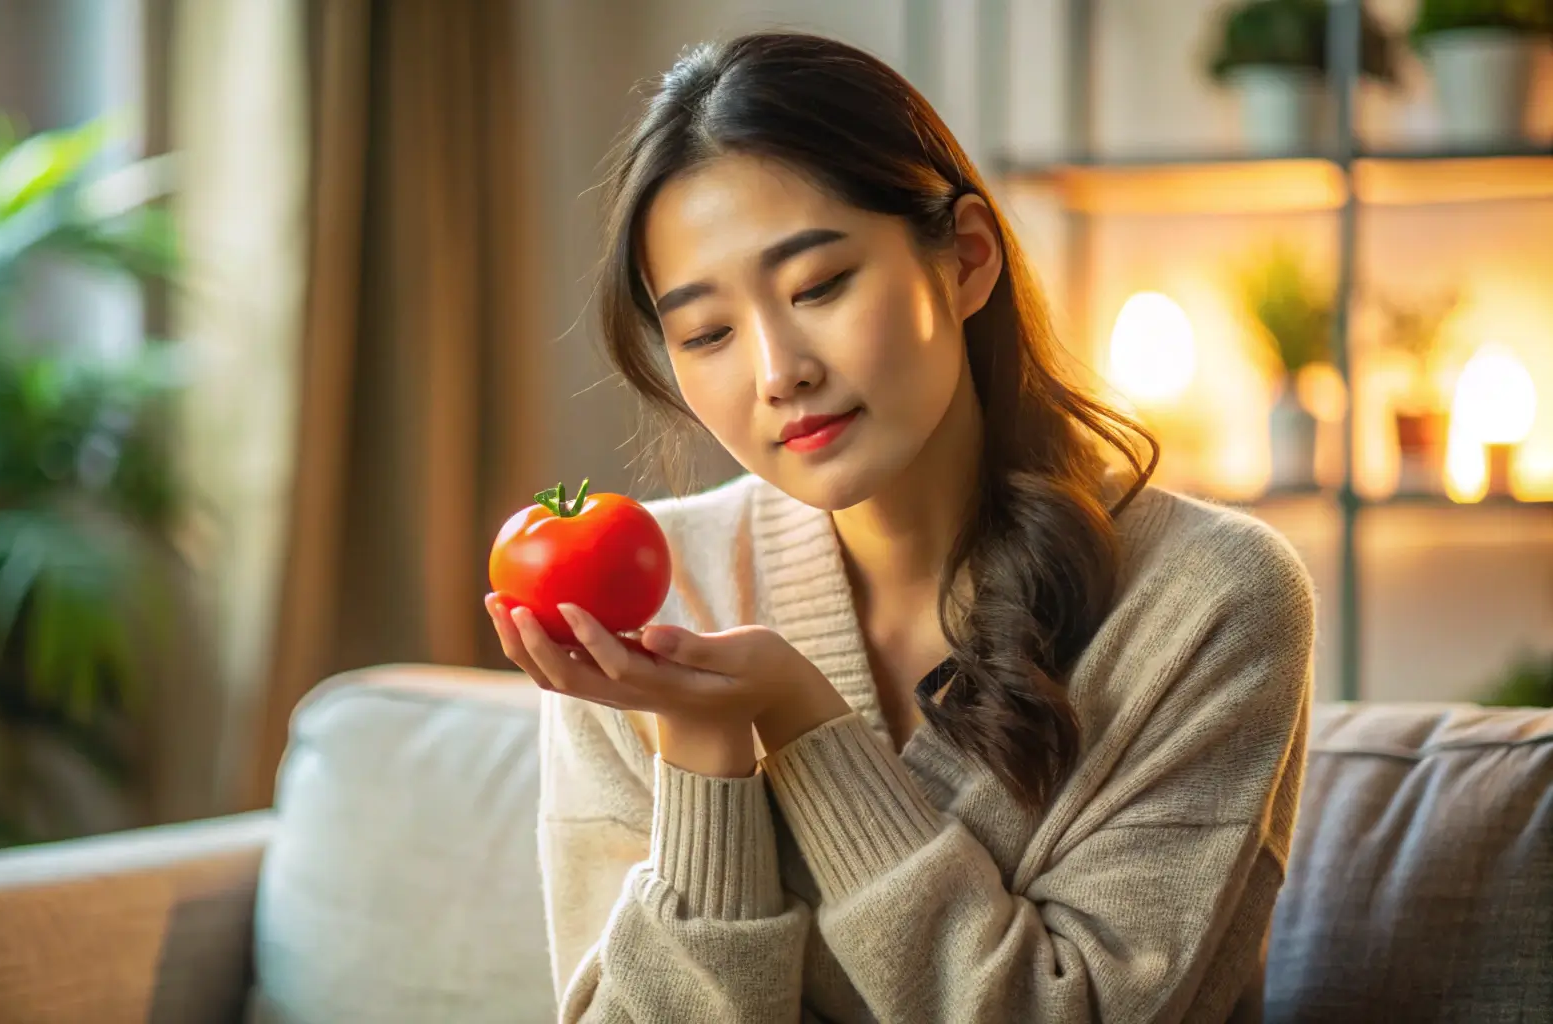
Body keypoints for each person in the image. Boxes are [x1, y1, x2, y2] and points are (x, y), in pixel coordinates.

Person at [484, 30, 1314, 1024]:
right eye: (706, 334)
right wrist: (704, 746)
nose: (776, 369)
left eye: (820, 286)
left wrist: (799, 719)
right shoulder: (639, 605)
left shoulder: (1209, 600)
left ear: (963, 260)